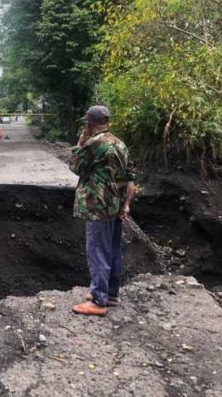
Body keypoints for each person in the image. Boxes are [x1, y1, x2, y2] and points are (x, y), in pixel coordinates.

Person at [68, 105, 135, 316]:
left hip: (97, 206)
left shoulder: (94, 144)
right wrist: (126, 204)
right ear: (107, 121)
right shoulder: (120, 144)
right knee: (113, 250)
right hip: (114, 205)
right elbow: (130, 178)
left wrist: (79, 145)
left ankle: (98, 301)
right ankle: (111, 294)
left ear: (89, 123)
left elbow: (75, 166)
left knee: (97, 251)